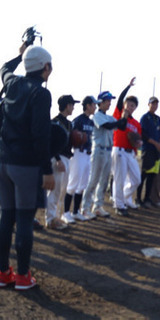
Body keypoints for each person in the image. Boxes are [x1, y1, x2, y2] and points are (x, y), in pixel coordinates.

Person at [0, 43, 54, 290]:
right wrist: (47, 170)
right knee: (23, 219)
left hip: (4, 161)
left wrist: (19, 55)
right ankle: (22, 275)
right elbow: (40, 135)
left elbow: (4, 68)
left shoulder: (11, 83)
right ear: (46, 67)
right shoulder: (41, 93)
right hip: (26, 166)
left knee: (5, 217)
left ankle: (3, 273)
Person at [81, 91, 127, 218]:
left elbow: (121, 127)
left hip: (107, 150)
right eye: (107, 101)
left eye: (109, 101)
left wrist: (125, 117)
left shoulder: (109, 117)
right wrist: (120, 121)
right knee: (93, 180)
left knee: (104, 181)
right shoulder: (97, 116)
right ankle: (85, 208)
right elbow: (108, 126)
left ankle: (98, 206)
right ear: (100, 102)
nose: (109, 103)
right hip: (98, 150)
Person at [63, 96, 99, 221]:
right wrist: (77, 139)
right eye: (94, 105)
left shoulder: (90, 121)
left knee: (82, 184)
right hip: (78, 153)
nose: (95, 107)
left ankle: (75, 211)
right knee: (73, 184)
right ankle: (66, 213)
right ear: (88, 106)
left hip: (88, 154)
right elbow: (71, 137)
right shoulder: (78, 120)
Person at [46, 95, 80, 226]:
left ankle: (57, 217)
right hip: (57, 158)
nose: (73, 107)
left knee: (62, 190)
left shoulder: (69, 124)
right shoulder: (54, 122)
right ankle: (50, 219)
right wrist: (58, 159)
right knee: (55, 190)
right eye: (72, 105)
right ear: (67, 106)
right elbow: (50, 144)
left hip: (67, 158)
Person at [112, 78, 142, 216]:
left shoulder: (136, 123)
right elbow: (120, 100)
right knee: (120, 179)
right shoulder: (119, 114)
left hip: (130, 153)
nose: (130, 107)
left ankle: (124, 197)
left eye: (133, 105)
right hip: (119, 150)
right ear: (125, 105)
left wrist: (138, 146)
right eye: (128, 104)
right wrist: (128, 87)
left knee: (137, 179)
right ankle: (119, 205)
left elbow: (138, 139)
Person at [136, 97, 160, 208]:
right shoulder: (145, 118)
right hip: (147, 150)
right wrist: (155, 143)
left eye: (156, 104)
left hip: (156, 152)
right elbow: (143, 134)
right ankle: (138, 198)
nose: (154, 106)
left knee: (152, 176)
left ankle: (147, 198)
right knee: (143, 175)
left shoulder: (157, 118)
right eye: (152, 104)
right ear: (148, 104)